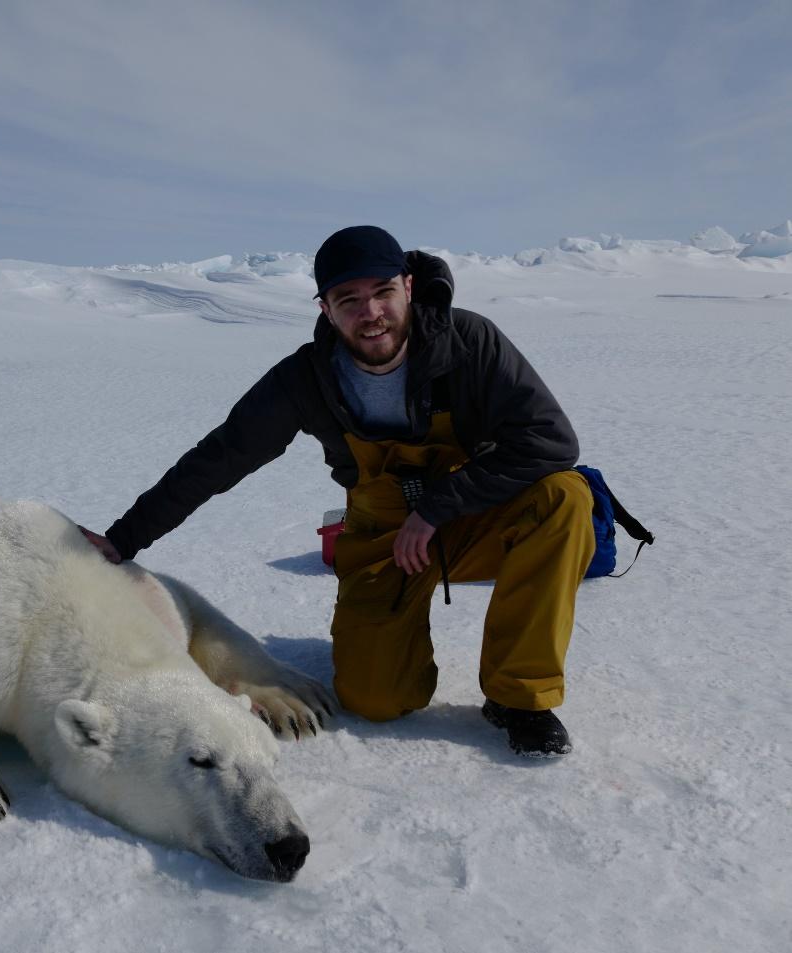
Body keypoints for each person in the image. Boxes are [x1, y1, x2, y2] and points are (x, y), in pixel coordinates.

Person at [81, 225, 595, 757]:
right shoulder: (306, 380)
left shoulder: (470, 343)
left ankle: (519, 697)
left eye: (382, 293)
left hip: (473, 517)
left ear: (409, 288)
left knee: (563, 496)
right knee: (377, 698)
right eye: (348, 299)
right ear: (325, 308)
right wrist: (124, 538)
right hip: (384, 539)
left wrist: (440, 505)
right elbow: (220, 458)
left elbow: (551, 441)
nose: (370, 313)